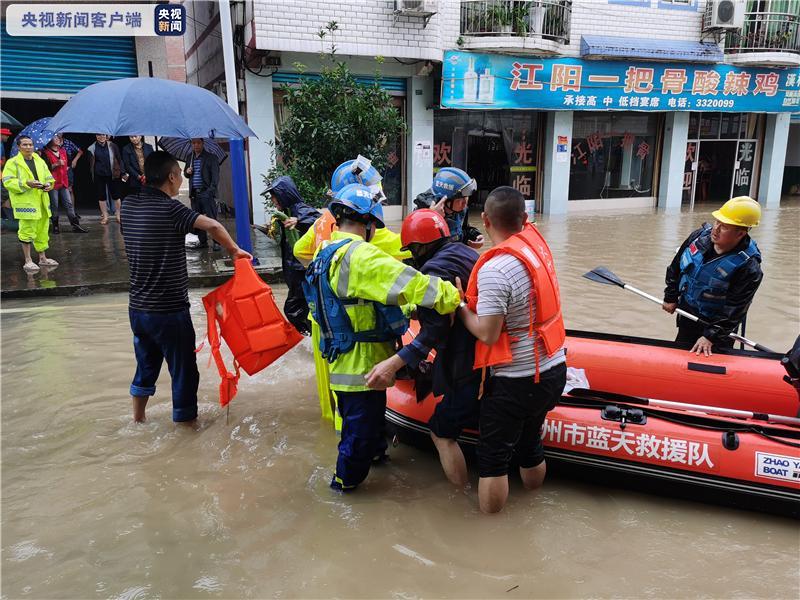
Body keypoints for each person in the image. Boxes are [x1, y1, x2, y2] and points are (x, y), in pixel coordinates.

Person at [303, 183, 461, 491]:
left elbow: (364, 301)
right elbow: (413, 283)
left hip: (344, 358)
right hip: (361, 367)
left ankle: (376, 461)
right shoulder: (360, 256)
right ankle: (343, 488)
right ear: (370, 223)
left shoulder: (327, 250)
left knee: (369, 432)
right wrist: (452, 295)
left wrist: (411, 311)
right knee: (357, 439)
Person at [456, 186, 567, 514]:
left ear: (485, 219)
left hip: (516, 380)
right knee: (531, 443)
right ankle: (533, 509)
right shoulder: (535, 248)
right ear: (526, 219)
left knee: (492, 461)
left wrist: (460, 306)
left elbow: (487, 335)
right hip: (553, 368)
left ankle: (493, 536)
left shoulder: (495, 269)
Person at [120, 151, 252, 424]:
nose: (181, 180)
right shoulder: (172, 209)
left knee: (146, 365)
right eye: (179, 174)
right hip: (169, 309)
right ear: (171, 177)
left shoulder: (129, 204)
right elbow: (213, 225)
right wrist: (235, 250)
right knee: (184, 372)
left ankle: (138, 419)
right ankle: (185, 428)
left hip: (138, 308)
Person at [366, 209, 481, 487]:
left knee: (440, 432)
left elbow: (435, 331)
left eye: (412, 251)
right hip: (491, 356)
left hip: (467, 363)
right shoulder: (468, 254)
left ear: (418, 247)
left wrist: (393, 363)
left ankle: (460, 494)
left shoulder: (433, 269)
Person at [662, 196, 763, 357]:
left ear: (740, 234)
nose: (716, 229)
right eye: (717, 222)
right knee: (679, 355)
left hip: (718, 326)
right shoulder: (698, 237)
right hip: (688, 313)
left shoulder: (749, 267)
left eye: (724, 227)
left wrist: (711, 336)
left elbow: (735, 307)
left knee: (706, 364)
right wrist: (671, 296)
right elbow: (675, 267)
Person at [260, 175, 320, 335]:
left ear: (284, 194)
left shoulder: (301, 210)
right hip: (293, 270)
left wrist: (299, 221)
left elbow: (318, 220)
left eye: (274, 196)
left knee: (294, 308)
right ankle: (308, 339)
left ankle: (309, 338)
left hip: (302, 271)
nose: (273, 200)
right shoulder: (285, 212)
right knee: (301, 307)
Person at [1, 135, 58, 272]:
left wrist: (49, 185)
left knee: (42, 230)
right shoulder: (13, 163)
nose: (28, 147)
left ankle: (43, 258)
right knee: (26, 231)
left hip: (41, 201)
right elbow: (8, 181)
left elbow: (49, 177)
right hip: (26, 203)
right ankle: (28, 260)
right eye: (25, 145)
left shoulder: (39, 160)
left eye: (30, 144)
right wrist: (26, 183)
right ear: (19, 147)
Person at [416, 167, 484, 249]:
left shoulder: (461, 211)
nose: (465, 203)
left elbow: (461, 230)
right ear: (444, 200)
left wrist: (475, 236)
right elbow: (418, 248)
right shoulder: (421, 215)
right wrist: (432, 219)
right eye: (459, 200)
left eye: (466, 197)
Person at [41, 135, 87, 234]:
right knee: (55, 205)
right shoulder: (46, 153)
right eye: (55, 138)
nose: (58, 139)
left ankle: (76, 226)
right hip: (53, 183)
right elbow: (45, 169)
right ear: (50, 141)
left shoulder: (63, 151)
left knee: (69, 204)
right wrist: (56, 164)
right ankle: (56, 226)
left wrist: (66, 171)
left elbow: (67, 165)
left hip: (64, 182)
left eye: (58, 138)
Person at [184, 138, 220, 250]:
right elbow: (186, 175)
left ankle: (216, 242)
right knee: (198, 220)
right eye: (193, 143)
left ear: (203, 143)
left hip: (206, 193)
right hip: (195, 193)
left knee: (212, 219)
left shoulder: (211, 158)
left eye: (198, 143)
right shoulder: (190, 158)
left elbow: (215, 178)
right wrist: (187, 172)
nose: (196, 145)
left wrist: (209, 192)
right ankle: (203, 242)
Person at [86, 134, 123, 224]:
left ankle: (118, 214)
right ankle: (105, 216)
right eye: (98, 135)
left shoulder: (112, 145)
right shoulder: (91, 148)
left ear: (106, 135)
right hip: (99, 174)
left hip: (112, 173)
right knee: (101, 196)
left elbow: (119, 159)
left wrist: (123, 172)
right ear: (95, 136)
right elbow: (90, 163)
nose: (101, 137)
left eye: (103, 135)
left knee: (116, 195)